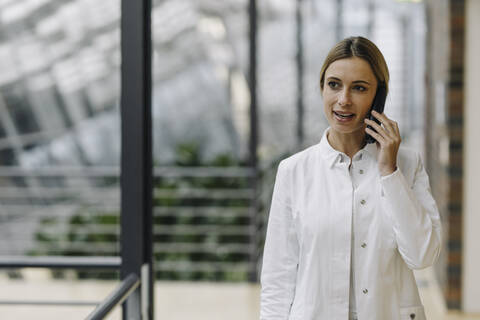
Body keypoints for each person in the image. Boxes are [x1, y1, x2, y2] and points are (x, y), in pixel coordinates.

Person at [260, 36, 442, 320]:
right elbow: (277, 279)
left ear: (377, 96)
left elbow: (422, 256)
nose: (343, 100)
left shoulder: (407, 164)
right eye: (334, 85)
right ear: (322, 87)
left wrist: (389, 173)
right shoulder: (293, 171)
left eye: (359, 88)